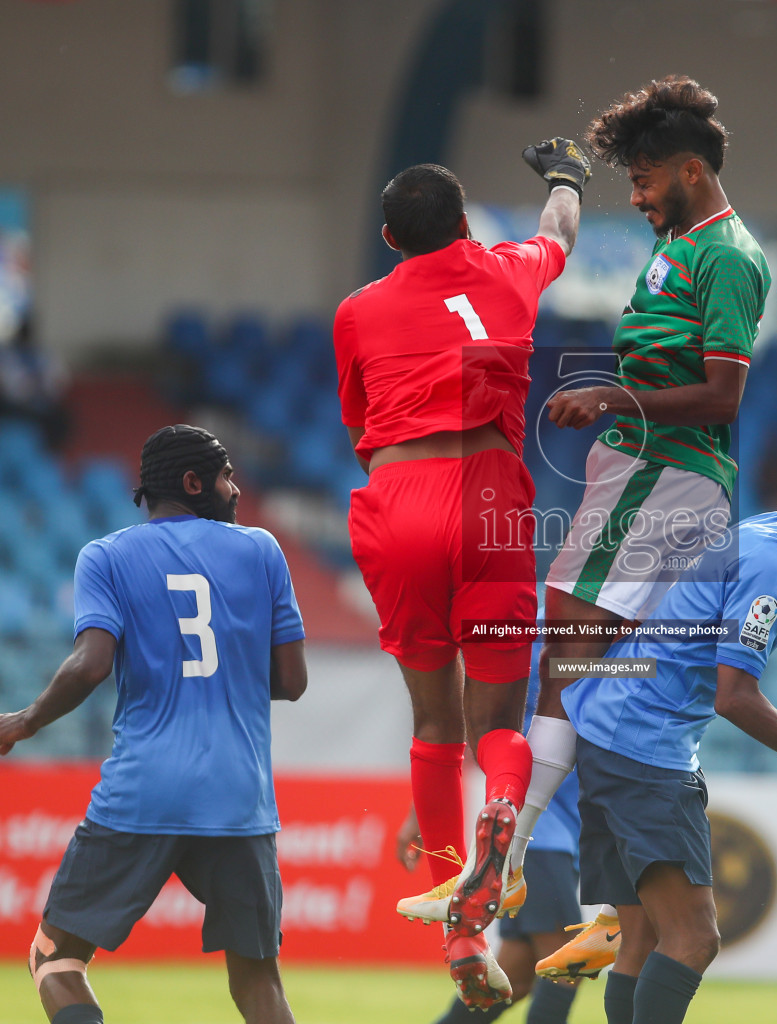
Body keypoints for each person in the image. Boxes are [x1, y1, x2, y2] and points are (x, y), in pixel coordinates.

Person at [517, 75, 777, 979]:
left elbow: (725, 394)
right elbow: (769, 535)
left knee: (565, 654)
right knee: (583, 668)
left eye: (645, 179)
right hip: (650, 472)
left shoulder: (727, 256)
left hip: (664, 473)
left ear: (691, 169)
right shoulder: (680, 244)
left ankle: (505, 867)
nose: (637, 196)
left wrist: (615, 395)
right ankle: (597, 909)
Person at [333, 143, 587, 1006]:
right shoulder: (509, 271)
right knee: (495, 726)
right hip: (493, 496)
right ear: (467, 223)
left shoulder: (359, 310)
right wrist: (565, 177)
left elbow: (360, 419)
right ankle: (501, 838)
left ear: (387, 237)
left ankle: (462, 939)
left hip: (403, 492)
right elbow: (560, 230)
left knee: (433, 722)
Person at [0, 424, 308, 1024]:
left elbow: (92, 663)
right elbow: (292, 681)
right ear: (193, 482)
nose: (234, 488)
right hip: (240, 797)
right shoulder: (262, 550)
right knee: (259, 983)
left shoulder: (105, 556)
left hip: (144, 789)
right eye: (226, 475)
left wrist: (28, 719)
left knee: (55, 959)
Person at [564, 462, 777, 1024]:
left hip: (607, 729)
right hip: (645, 752)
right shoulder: (770, 572)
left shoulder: (775, 530)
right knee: (694, 939)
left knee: (643, 935)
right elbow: (735, 697)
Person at [404, 671, 589, 1024]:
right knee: (568, 966)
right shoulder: (554, 641)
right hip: (534, 837)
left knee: (515, 979)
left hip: (553, 833)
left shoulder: (559, 642)